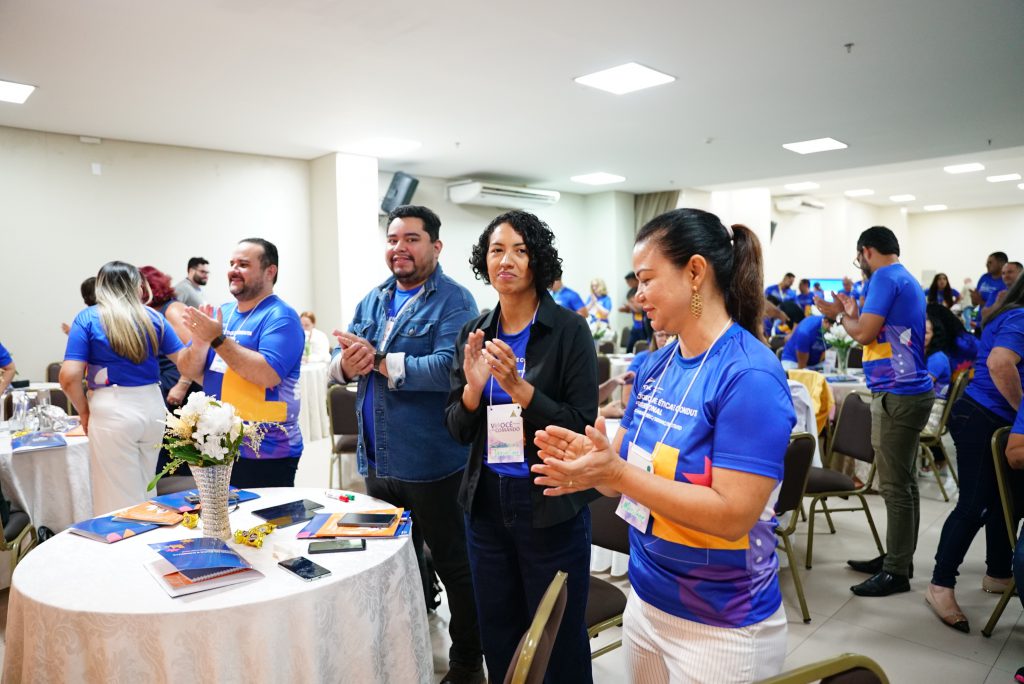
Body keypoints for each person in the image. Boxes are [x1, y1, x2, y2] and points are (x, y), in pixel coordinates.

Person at [532, 208, 794, 683]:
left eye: (647, 279)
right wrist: (593, 465)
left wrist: (616, 473)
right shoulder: (656, 367)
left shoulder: (748, 375)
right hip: (648, 599)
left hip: (722, 623)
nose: (637, 296)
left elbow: (733, 515)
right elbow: (621, 484)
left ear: (695, 272)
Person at [330, 204, 483, 684]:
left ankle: (466, 665)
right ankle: (405, 652)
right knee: (394, 564)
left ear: (436, 246)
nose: (400, 248)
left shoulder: (454, 301)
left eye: (412, 239)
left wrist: (377, 361)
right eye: (393, 239)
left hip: (433, 463)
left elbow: (447, 369)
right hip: (379, 461)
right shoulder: (373, 300)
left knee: (456, 567)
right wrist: (347, 364)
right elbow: (340, 360)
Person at [445, 210, 598, 684]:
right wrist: (473, 392)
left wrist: (520, 389)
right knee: (498, 631)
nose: (506, 260)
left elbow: (581, 427)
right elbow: (456, 428)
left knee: (557, 638)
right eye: (496, 250)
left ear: (538, 261)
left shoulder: (569, 330)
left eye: (519, 250)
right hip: (487, 502)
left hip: (549, 500)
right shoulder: (476, 332)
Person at [815, 226, 934, 597]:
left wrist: (840, 316)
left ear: (866, 251)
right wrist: (852, 312)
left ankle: (896, 571)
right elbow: (881, 330)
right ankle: (899, 557)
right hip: (908, 388)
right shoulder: (904, 278)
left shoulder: (884, 277)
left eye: (859, 257)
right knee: (905, 483)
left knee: (896, 487)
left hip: (898, 392)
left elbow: (864, 334)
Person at [927, 274, 1024, 633]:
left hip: (991, 416)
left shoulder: (1009, 313)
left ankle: (998, 573)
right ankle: (940, 585)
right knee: (974, 505)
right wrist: (1022, 409)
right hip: (983, 416)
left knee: (1003, 501)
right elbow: (1000, 363)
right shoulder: (1020, 316)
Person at [60, 261, 192, 514]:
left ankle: (125, 539)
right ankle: (149, 535)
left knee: (117, 499)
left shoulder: (88, 318)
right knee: (147, 487)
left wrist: (84, 412)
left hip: (112, 408)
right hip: (153, 406)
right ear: (139, 286)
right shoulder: (154, 317)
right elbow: (186, 363)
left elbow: (68, 377)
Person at [179, 239, 305, 488]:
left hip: (265, 450)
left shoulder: (281, 316)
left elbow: (267, 374)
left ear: (270, 271)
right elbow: (188, 369)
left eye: (244, 265)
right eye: (232, 263)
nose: (233, 270)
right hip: (217, 445)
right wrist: (199, 343)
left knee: (265, 516)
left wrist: (216, 339)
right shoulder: (222, 313)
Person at [970, 251, 1008, 331]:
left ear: (1001, 264)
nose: (986, 265)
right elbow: (976, 304)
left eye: (990, 262)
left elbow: (1001, 308)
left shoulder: (1006, 282)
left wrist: (980, 301)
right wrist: (974, 300)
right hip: (979, 325)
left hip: (995, 326)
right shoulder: (984, 277)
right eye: (987, 262)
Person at [924, 312, 953, 399]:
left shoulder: (938, 358)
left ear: (935, 336)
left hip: (934, 403)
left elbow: (922, 386)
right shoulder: (921, 352)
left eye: (926, 332)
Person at [619, 271, 646, 352]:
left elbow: (640, 309)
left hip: (643, 327)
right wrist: (627, 309)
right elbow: (635, 310)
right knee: (629, 349)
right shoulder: (632, 291)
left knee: (642, 348)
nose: (628, 284)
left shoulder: (642, 292)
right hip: (635, 326)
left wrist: (629, 304)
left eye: (629, 282)